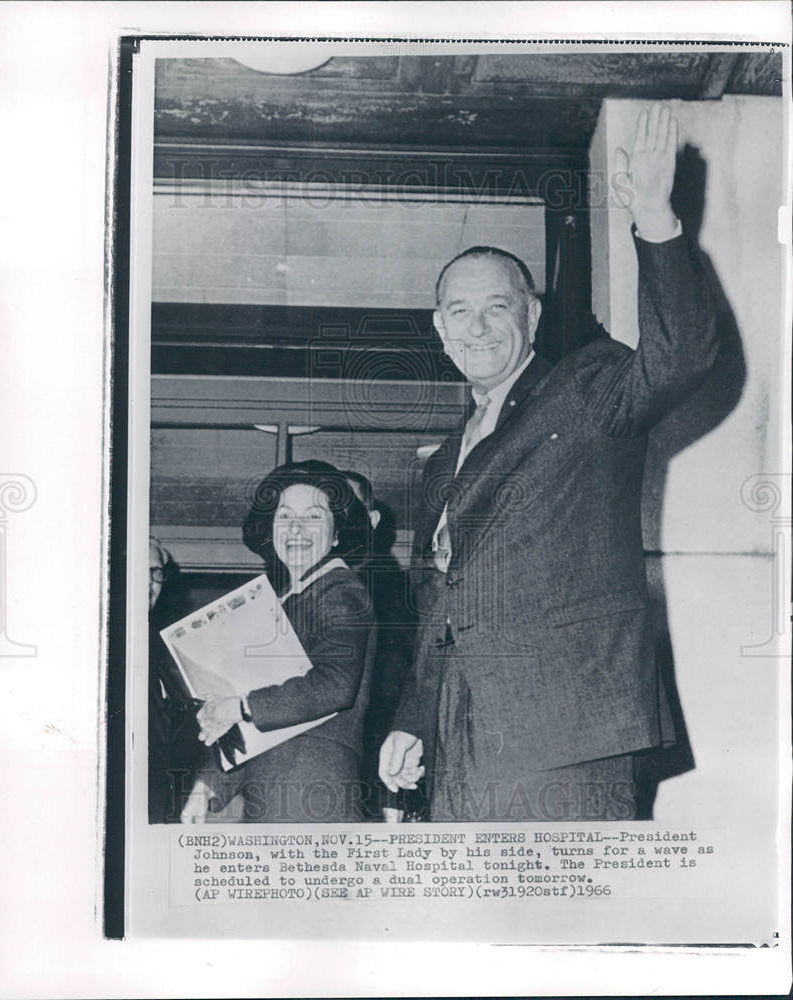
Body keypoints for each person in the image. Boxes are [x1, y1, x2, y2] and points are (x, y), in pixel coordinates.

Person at [379, 103, 718, 822]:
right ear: (438, 330)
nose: (477, 328)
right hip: (458, 731)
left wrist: (655, 219)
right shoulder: (440, 462)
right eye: (458, 313)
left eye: (496, 309)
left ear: (531, 316)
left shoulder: (584, 390)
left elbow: (678, 358)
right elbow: (440, 600)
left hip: (567, 727)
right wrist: (412, 716)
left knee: (569, 922)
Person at [181, 461, 375, 823]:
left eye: (314, 516)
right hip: (273, 790)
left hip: (313, 789)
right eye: (284, 516)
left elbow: (335, 684)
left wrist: (237, 706)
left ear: (337, 534)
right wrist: (208, 785)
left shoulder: (341, 589)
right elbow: (259, 712)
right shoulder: (285, 603)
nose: (296, 528)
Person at [342, 470, 418, 820]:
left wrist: (391, 797)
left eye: (347, 508)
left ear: (371, 520)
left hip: (372, 773)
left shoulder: (387, 589)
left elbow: (396, 687)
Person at [148, 537, 203, 822]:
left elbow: (167, 743)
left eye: (155, 572)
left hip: (161, 812)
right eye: (135, 569)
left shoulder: (154, 654)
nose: (147, 583)